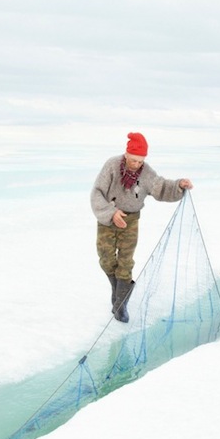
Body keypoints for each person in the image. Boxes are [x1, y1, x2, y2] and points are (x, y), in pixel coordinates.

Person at [91, 132, 194, 322]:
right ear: (126, 154)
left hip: (130, 220)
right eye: (134, 160)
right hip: (108, 217)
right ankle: (119, 291)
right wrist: (111, 213)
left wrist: (179, 185)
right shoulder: (111, 166)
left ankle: (121, 305)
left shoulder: (146, 173)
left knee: (125, 261)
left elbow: (161, 188)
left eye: (140, 161)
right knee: (105, 258)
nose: (137, 164)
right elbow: (97, 193)